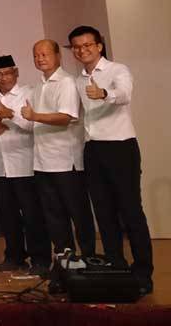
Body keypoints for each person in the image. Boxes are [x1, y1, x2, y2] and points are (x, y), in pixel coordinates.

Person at [68, 26, 153, 295]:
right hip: (93, 149)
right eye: (77, 47)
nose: (82, 50)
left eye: (87, 45)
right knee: (103, 212)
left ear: (99, 46)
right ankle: (117, 263)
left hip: (121, 147)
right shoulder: (78, 79)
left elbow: (125, 94)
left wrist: (104, 94)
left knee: (130, 211)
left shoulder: (118, 70)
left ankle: (143, 272)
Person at [25, 39, 96, 291]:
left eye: (45, 53)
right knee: (54, 216)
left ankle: (88, 259)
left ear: (58, 56)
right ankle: (64, 263)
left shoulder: (66, 82)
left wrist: (34, 116)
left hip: (67, 161)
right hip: (43, 161)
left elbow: (66, 117)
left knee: (78, 213)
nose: (40, 58)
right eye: (36, 54)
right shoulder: (38, 86)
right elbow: (31, 122)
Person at [0, 55, 50, 276]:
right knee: (8, 215)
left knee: (33, 215)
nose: (3, 78)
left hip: (25, 164)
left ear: (16, 73)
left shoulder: (30, 93)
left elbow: (36, 125)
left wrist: (10, 116)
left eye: (7, 73)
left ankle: (41, 258)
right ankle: (14, 256)